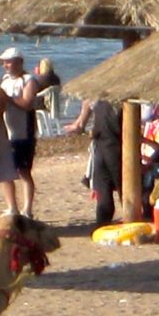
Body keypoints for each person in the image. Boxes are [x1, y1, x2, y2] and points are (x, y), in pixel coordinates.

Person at [0, 48, 45, 216]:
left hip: (23, 134)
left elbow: (27, 103)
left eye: (8, 62)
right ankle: (12, 208)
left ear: (19, 62)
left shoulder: (29, 80)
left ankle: (27, 209)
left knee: (23, 172)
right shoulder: (4, 80)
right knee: (5, 172)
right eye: (4, 62)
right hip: (5, 134)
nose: (5, 65)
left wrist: (8, 99)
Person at [64, 96, 125, 226]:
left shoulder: (122, 98)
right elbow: (88, 101)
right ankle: (102, 224)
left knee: (122, 189)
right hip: (102, 147)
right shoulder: (98, 96)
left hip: (117, 147)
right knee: (104, 191)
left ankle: (129, 218)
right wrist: (80, 123)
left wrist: (80, 124)